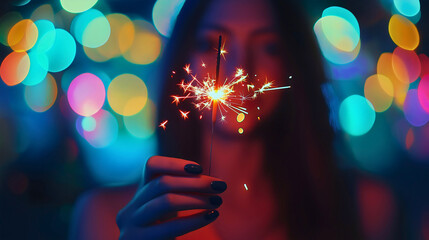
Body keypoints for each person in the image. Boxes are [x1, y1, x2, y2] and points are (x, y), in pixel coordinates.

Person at [71, 0, 398, 239]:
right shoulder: (105, 220)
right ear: (181, 60)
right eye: (212, 44)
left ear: (294, 64)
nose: (239, 70)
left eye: (269, 46)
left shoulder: (365, 209)